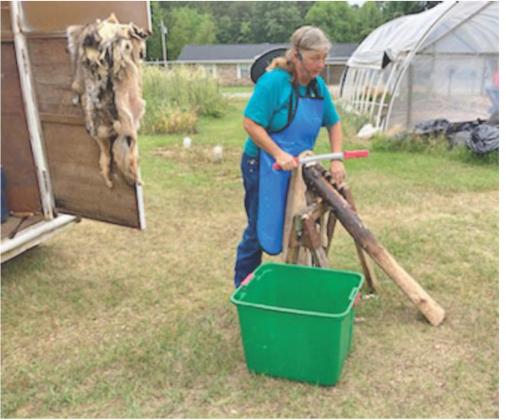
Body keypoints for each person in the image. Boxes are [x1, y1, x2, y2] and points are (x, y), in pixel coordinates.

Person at [233, 26, 346, 288]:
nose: (321, 64)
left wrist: (337, 158)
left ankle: (297, 283)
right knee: (259, 229)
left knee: (297, 224)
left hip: (297, 168)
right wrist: (278, 152)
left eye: (324, 58)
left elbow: (334, 122)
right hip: (262, 163)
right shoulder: (273, 83)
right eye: (315, 58)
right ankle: (244, 287)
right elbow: (251, 123)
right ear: (296, 55)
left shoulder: (318, 87)